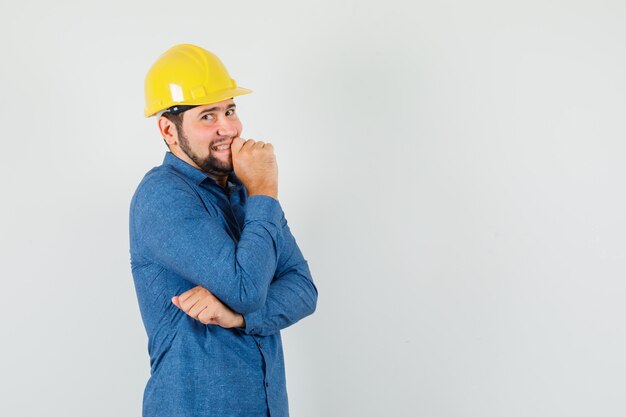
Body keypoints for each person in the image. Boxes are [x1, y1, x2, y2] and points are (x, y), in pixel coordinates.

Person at [129, 44, 318, 417]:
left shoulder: (246, 190)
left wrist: (239, 318)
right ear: (168, 129)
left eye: (230, 110)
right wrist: (265, 190)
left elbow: (303, 289)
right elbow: (246, 287)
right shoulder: (161, 196)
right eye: (207, 116)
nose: (228, 128)